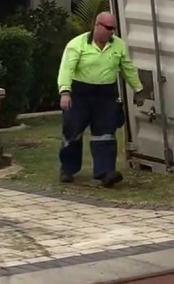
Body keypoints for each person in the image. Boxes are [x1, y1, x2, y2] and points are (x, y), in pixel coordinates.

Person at [56, 11, 143, 187]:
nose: (111, 32)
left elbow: (128, 68)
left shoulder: (118, 45)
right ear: (97, 25)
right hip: (80, 93)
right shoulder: (77, 44)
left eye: (113, 29)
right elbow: (66, 69)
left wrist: (138, 88)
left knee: (105, 133)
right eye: (108, 28)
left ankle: (105, 172)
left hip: (105, 94)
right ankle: (68, 168)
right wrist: (65, 92)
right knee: (72, 131)